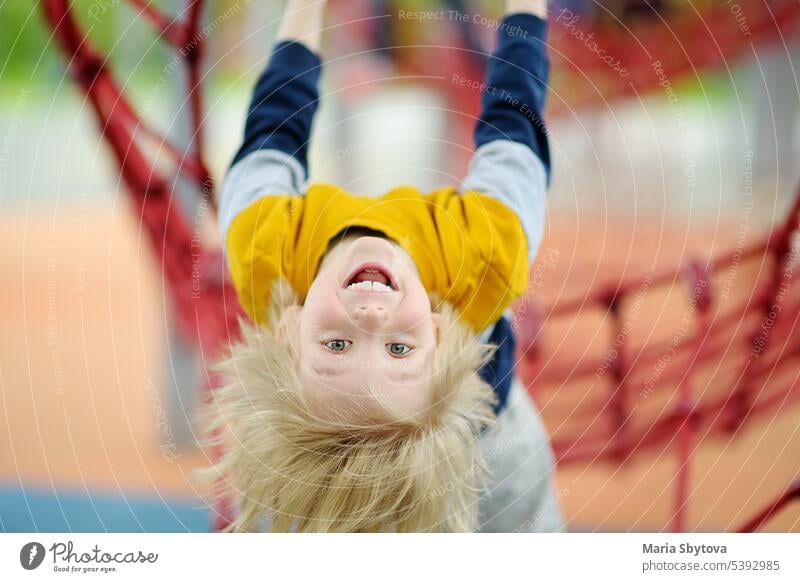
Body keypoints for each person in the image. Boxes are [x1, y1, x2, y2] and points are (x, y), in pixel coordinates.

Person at [209, 0, 562, 532]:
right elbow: (516, 119)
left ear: (287, 329)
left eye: (336, 345)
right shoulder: (487, 251)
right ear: (441, 334)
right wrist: (525, 11)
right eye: (399, 349)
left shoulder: (262, 242)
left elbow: (275, 122)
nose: (371, 319)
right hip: (493, 451)